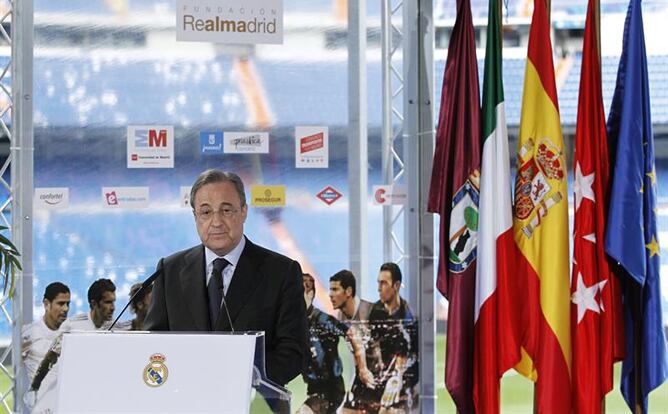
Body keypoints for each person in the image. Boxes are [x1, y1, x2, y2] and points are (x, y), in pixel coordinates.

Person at [144, 169, 308, 389]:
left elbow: (294, 353)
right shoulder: (170, 270)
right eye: (206, 212)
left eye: (226, 210)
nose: (216, 221)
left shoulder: (281, 272)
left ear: (244, 212)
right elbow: (154, 343)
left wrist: (236, 378)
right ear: (195, 217)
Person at [298, 274, 374, 414]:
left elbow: (353, 334)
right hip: (314, 389)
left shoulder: (321, 319)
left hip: (331, 389)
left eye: (298, 295)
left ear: (310, 294)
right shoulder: (298, 323)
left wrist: (362, 368)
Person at [367, 263, 418, 414]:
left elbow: (411, 353)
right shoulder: (375, 312)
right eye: (378, 282)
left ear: (396, 285)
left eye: (384, 283)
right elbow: (372, 347)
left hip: (401, 383)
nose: (378, 288)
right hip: (379, 380)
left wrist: (398, 376)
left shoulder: (408, 316)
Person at [21, 282, 71, 414]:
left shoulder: (72, 332)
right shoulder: (29, 334)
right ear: (46, 304)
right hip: (42, 408)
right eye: (61, 303)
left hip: (67, 405)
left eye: (68, 304)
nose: (66, 309)